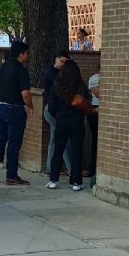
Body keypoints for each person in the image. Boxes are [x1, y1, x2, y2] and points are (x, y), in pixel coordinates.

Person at [0, 42, 33, 185]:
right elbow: (25, 93)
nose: (27, 56)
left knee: (0, 140)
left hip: (0, 108)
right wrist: (30, 106)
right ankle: (11, 175)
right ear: (21, 54)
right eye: (26, 53)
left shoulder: (2, 68)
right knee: (13, 143)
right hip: (15, 109)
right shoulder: (21, 70)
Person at [47, 60, 94, 191]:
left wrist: (58, 115)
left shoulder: (57, 84)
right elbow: (86, 100)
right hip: (77, 120)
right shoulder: (79, 84)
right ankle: (76, 182)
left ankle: (53, 179)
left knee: (58, 150)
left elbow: (51, 106)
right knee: (77, 151)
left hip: (61, 121)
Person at [40, 51, 73, 175]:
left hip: (55, 110)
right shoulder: (50, 73)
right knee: (60, 138)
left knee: (55, 139)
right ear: (56, 59)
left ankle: (52, 168)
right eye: (62, 61)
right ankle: (69, 168)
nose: (63, 64)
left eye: (66, 62)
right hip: (52, 110)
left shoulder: (58, 73)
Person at [86, 72, 100, 179]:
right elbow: (98, 93)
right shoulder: (95, 78)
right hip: (96, 109)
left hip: (98, 108)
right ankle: (93, 168)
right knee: (96, 139)